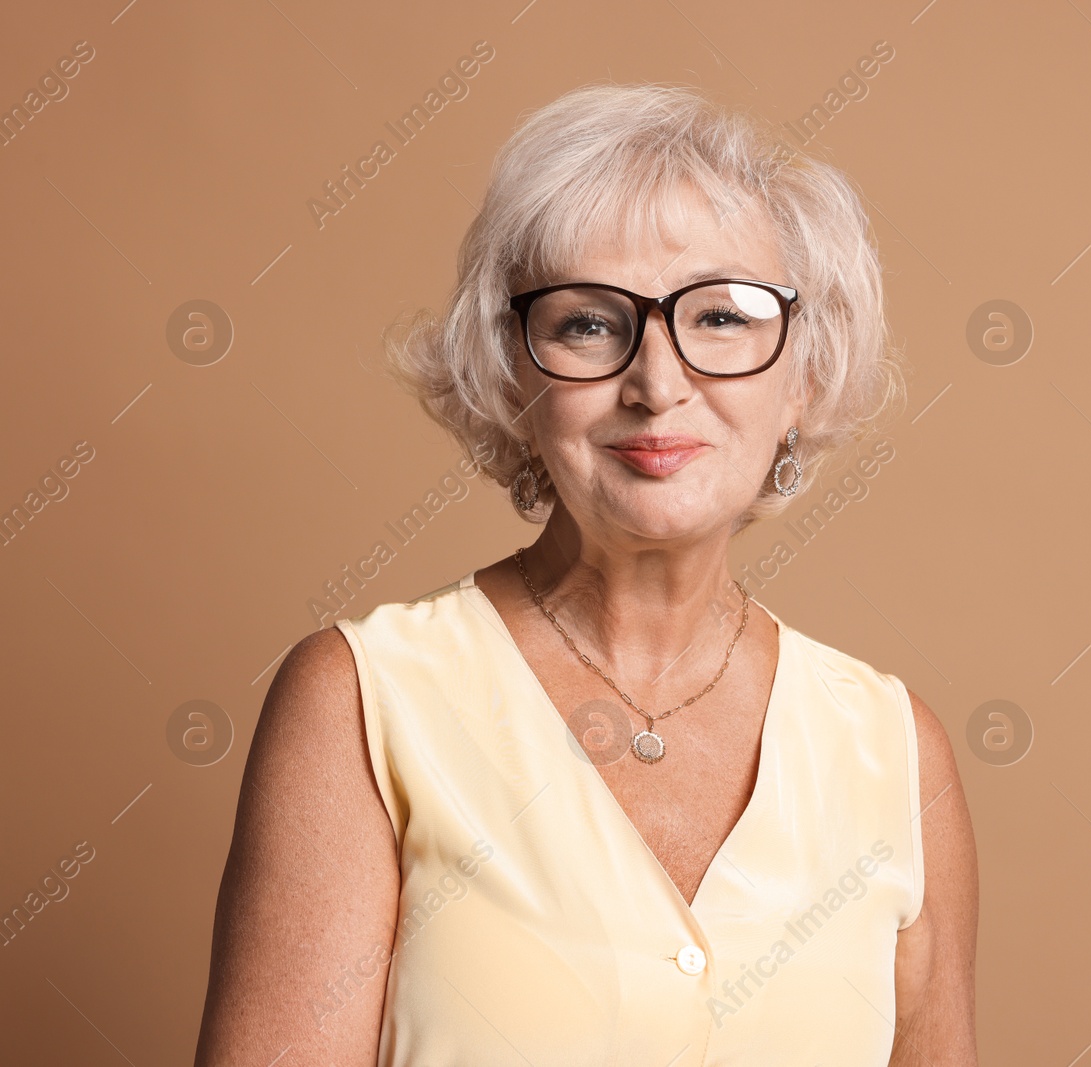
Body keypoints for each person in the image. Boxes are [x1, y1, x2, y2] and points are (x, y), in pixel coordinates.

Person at [195, 83, 978, 1065]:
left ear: (805, 376)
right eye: (588, 325)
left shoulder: (895, 752)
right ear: (509, 372)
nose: (658, 383)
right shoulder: (361, 701)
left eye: (723, 318)